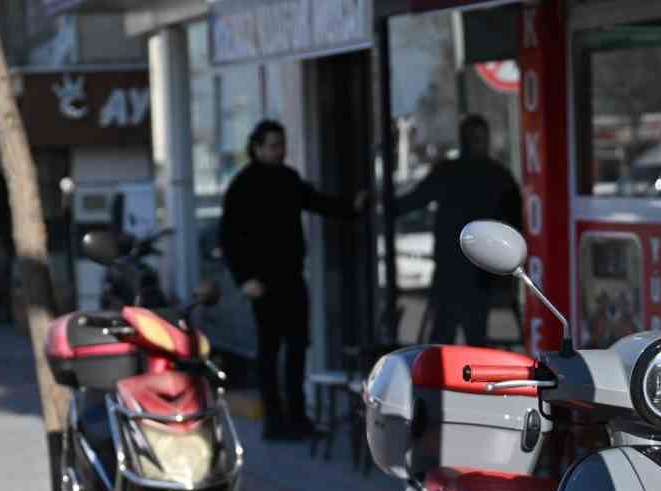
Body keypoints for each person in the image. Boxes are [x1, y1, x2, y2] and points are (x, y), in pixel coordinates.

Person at [219, 119, 367, 440]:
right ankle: (274, 423)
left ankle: (298, 419)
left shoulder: (288, 178)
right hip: (262, 282)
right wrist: (245, 279)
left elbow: (315, 201)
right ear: (257, 148)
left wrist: (352, 208)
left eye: (282, 144)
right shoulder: (243, 185)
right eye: (273, 145)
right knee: (270, 352)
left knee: (298, 348)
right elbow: (229, 237)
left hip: (291, 276)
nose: (280, 151)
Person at [394, 115, 523, 347]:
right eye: (476, 139)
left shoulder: (451, 172)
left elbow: (413, 200)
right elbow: (518, 222)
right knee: (472, 337)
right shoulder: (497, 176)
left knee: (445, 337)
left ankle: (440, 370)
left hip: (457, 269)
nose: (478, 144)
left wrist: (381, 206)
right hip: (477, 268)